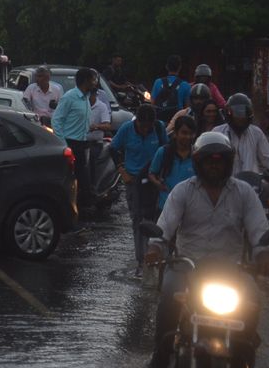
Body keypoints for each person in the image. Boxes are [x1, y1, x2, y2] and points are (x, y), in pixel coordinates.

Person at [145, 131, 269, 368]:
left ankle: (242, 360)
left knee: (253, 298)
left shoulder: (244, 193)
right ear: (199, 163)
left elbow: (259, 230)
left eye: (220, 161)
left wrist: (265, 256)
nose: (215, 166)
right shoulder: (182, 191)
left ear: (228, 162)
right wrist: (156, 248)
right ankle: (160, 356)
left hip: (231, 269)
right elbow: (166, 225)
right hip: (188, 266)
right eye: (209, 161)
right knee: (169, 295)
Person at [111, 104, 168, 277]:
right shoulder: (127, 129)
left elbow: (166, 151)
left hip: (153, 179)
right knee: (138, 220)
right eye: (142, 126)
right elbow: (113, 148)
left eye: (148, 127)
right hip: (134, 180)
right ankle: (141, 260)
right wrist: (122, 171)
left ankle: (156, 256)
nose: (145, 130)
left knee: (156, 219)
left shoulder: (159, 128)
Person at [52, 68, 97, 209]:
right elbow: (56, 120)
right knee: (72, 181)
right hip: (70, 144)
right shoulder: (70, 97)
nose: (95, 82)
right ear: (86, 81)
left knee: (83, 181)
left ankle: (82, 212)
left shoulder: (86, 98)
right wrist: (63, 145)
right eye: (93, 79)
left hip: (82, 144)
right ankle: (71, 213)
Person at [213, 93, 269, 178]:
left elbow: (268, 158)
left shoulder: (256, 132)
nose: (240, 118)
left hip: (252, 185)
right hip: (225, 184)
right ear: (228, 114)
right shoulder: (218, 132)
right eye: (237, 113)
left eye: (244, 113)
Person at [148, 115, 197, 215]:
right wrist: (158, 184)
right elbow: (151, 174)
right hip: (165, 206)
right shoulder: (163, 152)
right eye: (184, 133)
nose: (188, 137)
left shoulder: (197, 155)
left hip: (190, 208)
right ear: (175, 133)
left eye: (190, 134)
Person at [151, 55, 191, 123]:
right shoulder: (186, 85)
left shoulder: (158, 82)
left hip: (159, 121)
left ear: (166, 67)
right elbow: (188, 109)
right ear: (180, 67)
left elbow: (152, 104)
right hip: (177, 123)